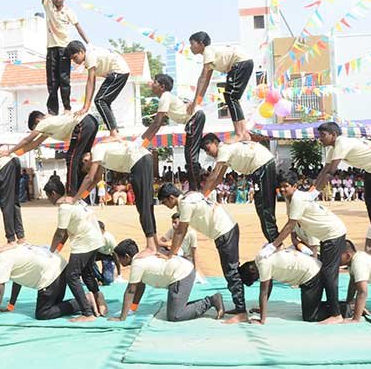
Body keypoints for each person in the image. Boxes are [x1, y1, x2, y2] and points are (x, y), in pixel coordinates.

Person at [268, 172, 347, 324]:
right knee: (326, 272)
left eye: (286, 186)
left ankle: (337, 314)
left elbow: (290, 224)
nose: (283, 190)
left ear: (295, 186)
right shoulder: (289, 198)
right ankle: (339, 307)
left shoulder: (297, 199)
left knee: (328, 273)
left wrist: (274, 245)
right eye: (281, 187)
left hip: (333, 233)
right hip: (325, 235)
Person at [158, 183, 246, 319]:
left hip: (225, 231)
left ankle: (241, 312)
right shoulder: (191, 195)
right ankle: (239, 306)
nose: (165, 206)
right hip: (227, 229)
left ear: (171, 198)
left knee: (231, 271)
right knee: (231, 270)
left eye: (164, 202)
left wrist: (170, 254)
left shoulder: (185, 204)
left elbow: (181, 231)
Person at [313, 122, 371, 248]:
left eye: (323, 135)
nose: (320, 138)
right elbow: (324, 170)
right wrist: (311, 192)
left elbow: (330, 172)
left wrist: (313, 194)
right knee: (370, 205)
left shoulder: (341, 143)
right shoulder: (333, 149)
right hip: (370, 170)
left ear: (333, 135)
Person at [72, 140, 158, 254]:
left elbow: (90, 178)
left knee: (143, 206)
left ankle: (151, 246)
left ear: (85, 160)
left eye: (87, 167)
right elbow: (97, 178)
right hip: (144, 157)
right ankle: (155, 241)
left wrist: (74, 199)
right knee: (147, 204)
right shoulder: (102, 156)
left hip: (138, 161)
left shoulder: (96, 150)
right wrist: (81, 197)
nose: (90, 168)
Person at [110, 239, 224, 322]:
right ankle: (192, 303)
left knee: (175, 315)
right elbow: (140, 286)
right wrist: (132, 309)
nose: (118, 261)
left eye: (119, 258)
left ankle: (211, 300)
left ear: (126, 256)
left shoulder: (137, 263)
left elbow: (131, 291)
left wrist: (122, 317)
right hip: (180, 272)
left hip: (182, 274)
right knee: (176, 310)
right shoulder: (142, 256)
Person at [44, 176, 105, 322]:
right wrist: (57, 249)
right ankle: (99, 298)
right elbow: (65, 232)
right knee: (87, 272)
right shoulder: (74, 200)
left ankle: (87, 313)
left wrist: (50, 251)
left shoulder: (64, 207)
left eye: (48, 196)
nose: (48, 200)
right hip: (95, 239)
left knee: (71, 276)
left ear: (53, 193)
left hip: (84, 243)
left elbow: (60, 232)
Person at [200, 133, 278, 241]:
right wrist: (205, 196)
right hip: (263, 164)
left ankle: (275, 243)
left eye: (208, 149)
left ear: (215, 143)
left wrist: (200, 198)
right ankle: (274, 241)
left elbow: (214, 175)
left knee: (264, 208)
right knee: (263, 207)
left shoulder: (223, 149)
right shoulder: (226, 152)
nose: (208, 153)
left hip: (262, 165)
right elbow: (218, 178)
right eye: (205, 151)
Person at [0, 240, 80, 320]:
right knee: (55, 305)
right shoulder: (12, 247)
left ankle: (82, 302)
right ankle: (83, 300)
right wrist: (11, 305)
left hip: (51, 277)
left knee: (43, 313)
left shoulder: (1, 260)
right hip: (61, 268)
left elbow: (0, 288)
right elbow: (17, 280)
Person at [32, 0, 89, 115]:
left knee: (64, 80)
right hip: (51, 49)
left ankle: (67, 108)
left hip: (64, 49)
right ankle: (52, 111)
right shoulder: (48, 7)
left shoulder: (69, 12)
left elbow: (78, 27)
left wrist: (89, 43)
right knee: (52, 82)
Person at [6, 111, 98, 197]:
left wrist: (9, 151)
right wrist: (15, 153)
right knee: (83, 160)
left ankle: (71, 194)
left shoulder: (43, 123)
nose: (38, 131)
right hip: (92, 122)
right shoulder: (50, 124)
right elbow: (35, 143)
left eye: (35, 129)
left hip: (82, 123)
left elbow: (27, 140)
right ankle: (82, 195)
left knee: (71, 158)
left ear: (37, 121)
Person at [138, 73, 206, 190]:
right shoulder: (166, 97)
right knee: (190, 156)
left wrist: (142, 142)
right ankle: (195, 188)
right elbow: (157, 124)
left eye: (155, 82)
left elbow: (157, 123)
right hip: (195, 118)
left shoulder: (165, 97)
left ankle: (195, 190)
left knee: (190, 156)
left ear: (162, 87)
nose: (152, 85)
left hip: (195, 117)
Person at [186, 32, 253, 141]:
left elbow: (202, 78)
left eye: (192, 44)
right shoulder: (211, 57)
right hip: (245, 63)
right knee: (232, 97)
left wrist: (194, 103)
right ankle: (243, 132)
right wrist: (197, 102)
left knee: (230, 97)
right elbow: (206, 82)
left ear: (201, 44)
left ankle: (240, 133)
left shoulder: (207, 50)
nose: (190, 47)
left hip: (240, 62)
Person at [239, 244, 327, 323]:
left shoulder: (263, 265)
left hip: (312, 274)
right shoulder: (260, 257)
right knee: (311, 308)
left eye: (255, 279)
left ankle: (338, 309)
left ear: (252, 270)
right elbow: (269, 285)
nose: (258, 279)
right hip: (310, 273)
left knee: (310, 316)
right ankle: (333, 305)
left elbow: (263, 292)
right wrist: (261, 308)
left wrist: (262, 320)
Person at [65, 41, 130, 137]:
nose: (74, 61)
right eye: (72, 59)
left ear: (81, 52)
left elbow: (91, 82)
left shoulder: (89, 56)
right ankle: (115, 131)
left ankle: (114, 134)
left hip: (118, 72)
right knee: (104, 102)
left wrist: (85, 107)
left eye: (75, 57)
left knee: (100, 100)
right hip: (119, 72)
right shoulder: (91, 55)